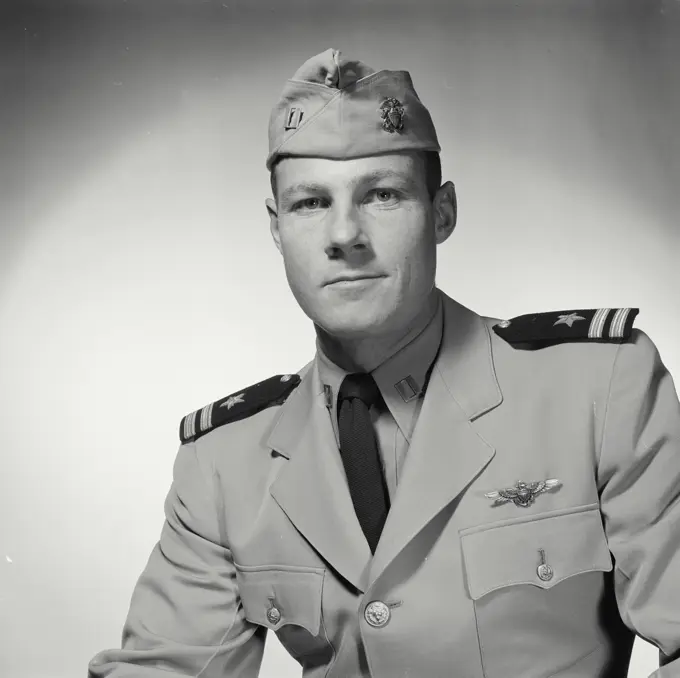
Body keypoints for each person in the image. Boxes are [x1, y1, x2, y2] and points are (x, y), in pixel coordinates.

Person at [88, 48, 680, 678]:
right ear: (275, 228)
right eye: (311, 203)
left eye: (382, 195)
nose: (345, 235)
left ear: (443, 212)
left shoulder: (597, 387)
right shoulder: (224, 461)